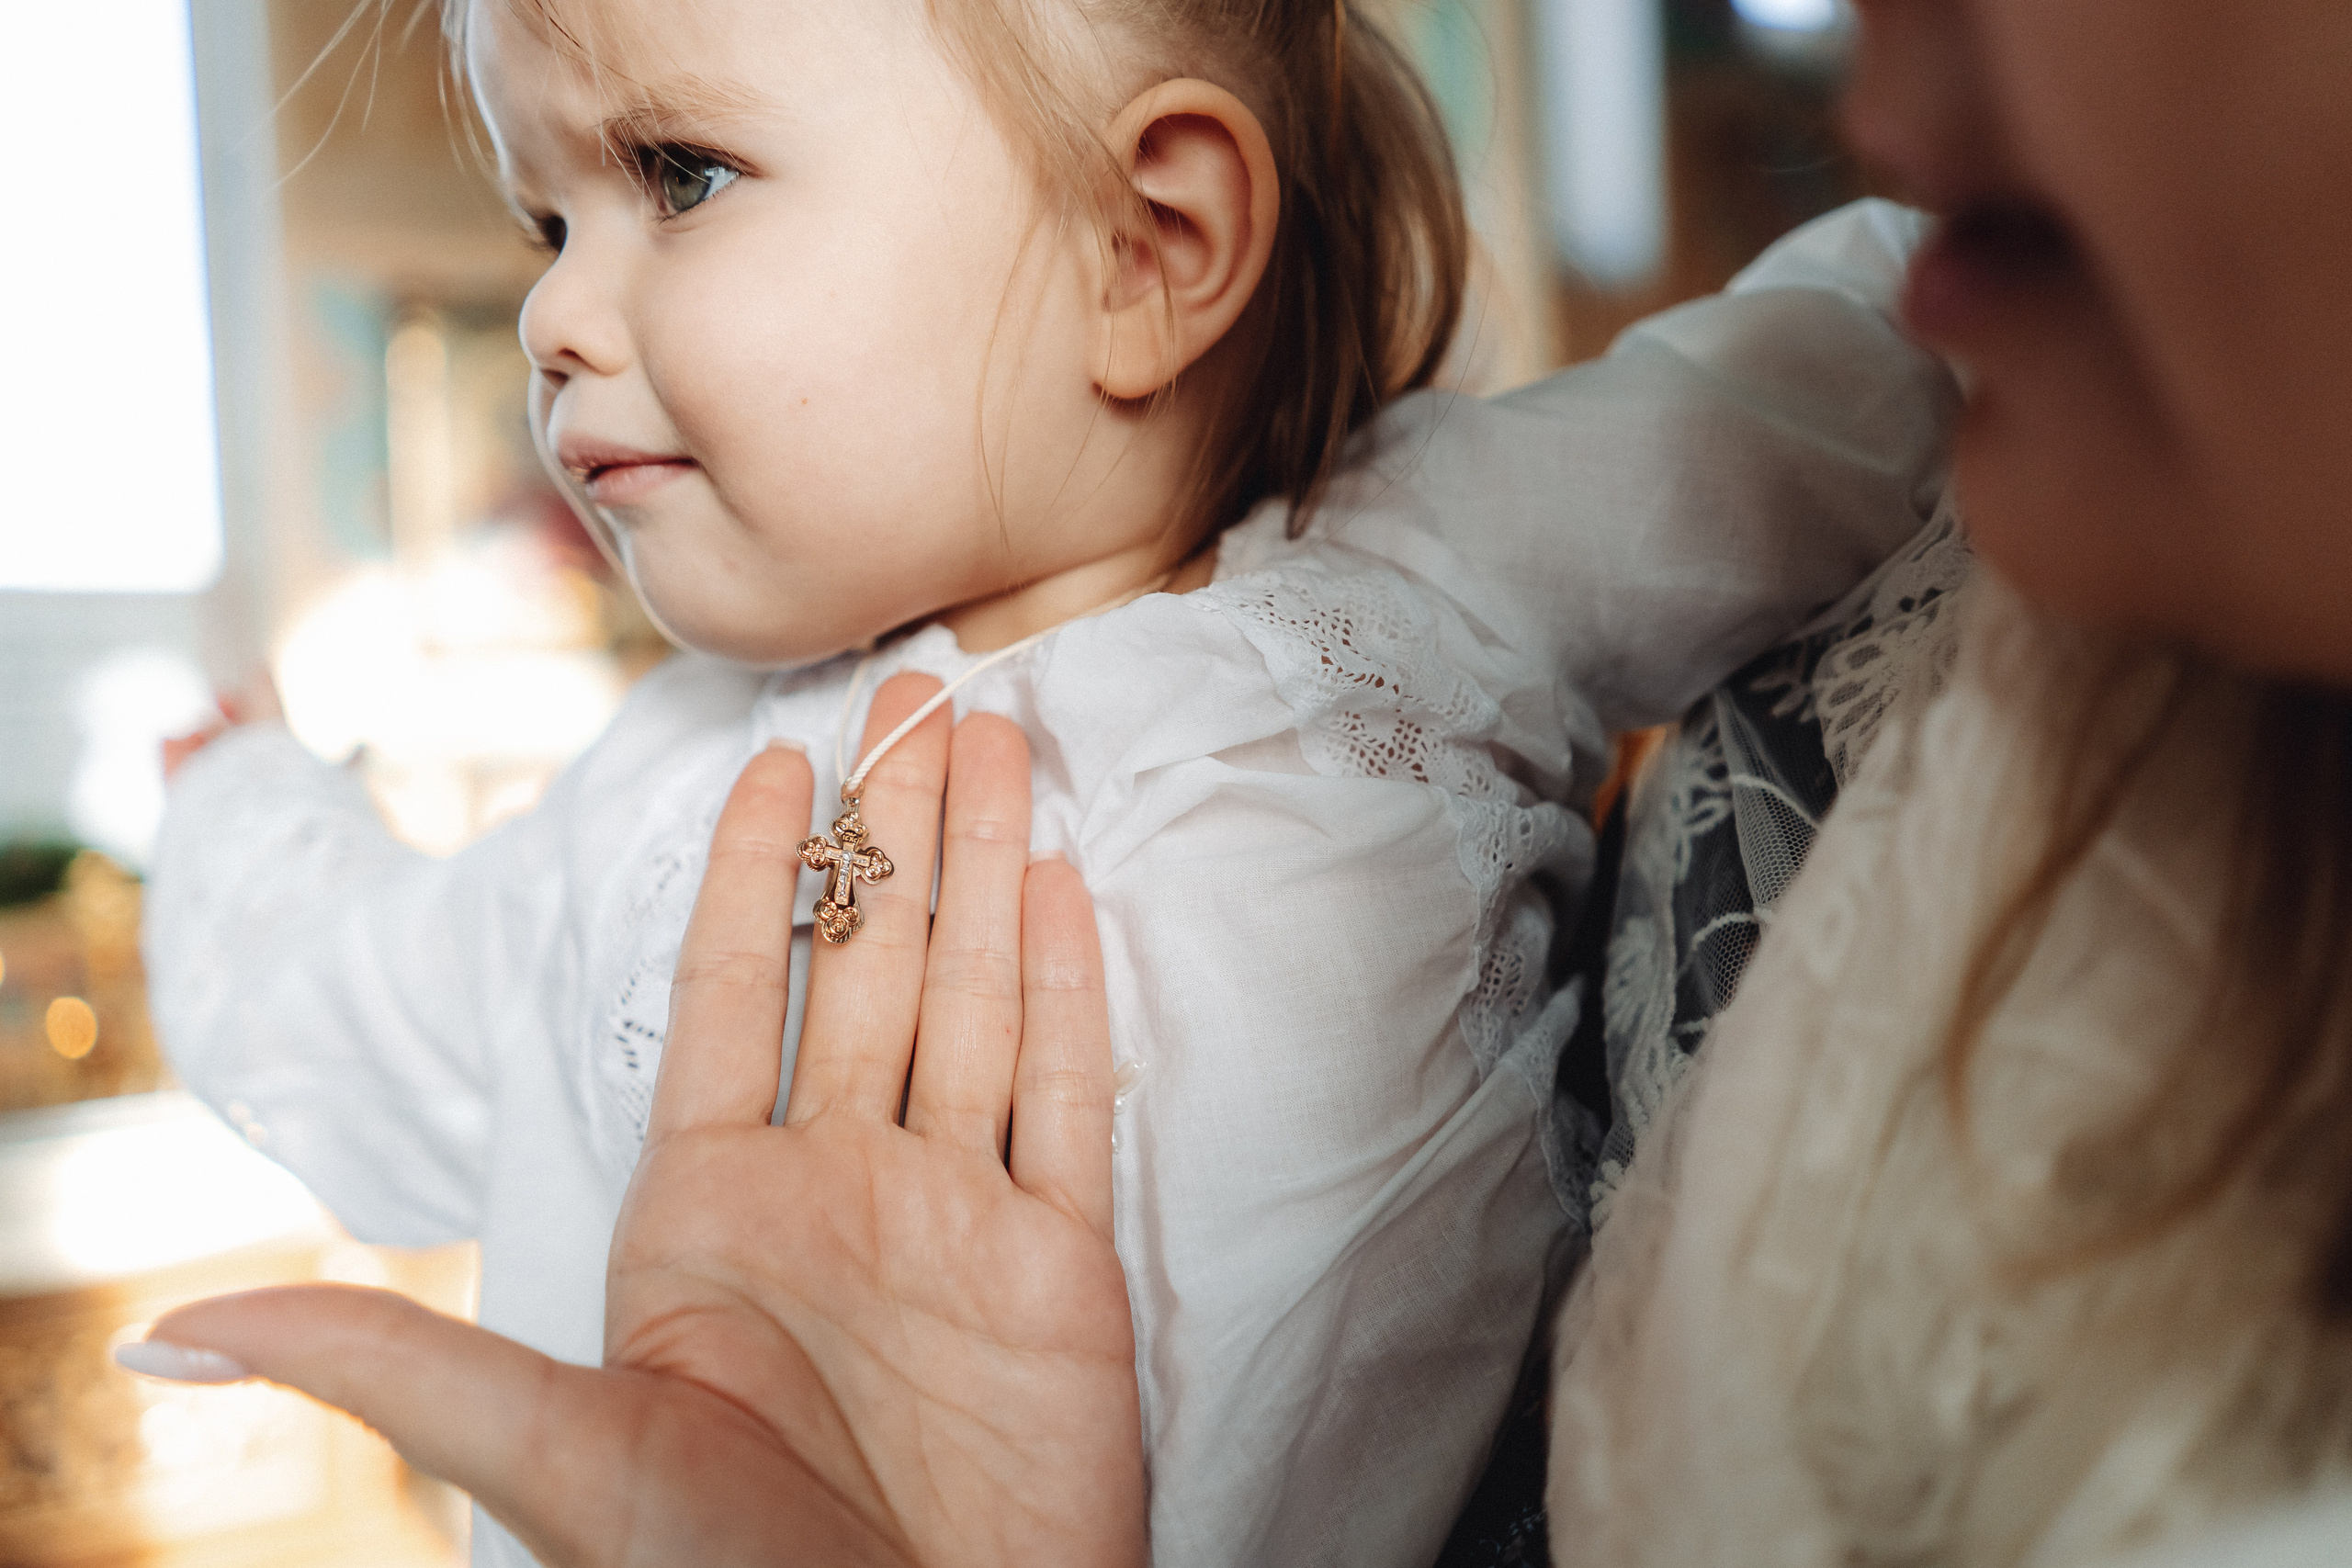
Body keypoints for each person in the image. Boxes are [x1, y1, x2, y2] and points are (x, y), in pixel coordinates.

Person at [134, 3, 1956, 1565]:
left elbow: (1849, 364)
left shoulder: (1436, 562)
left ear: (1142, 243)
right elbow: (363, 999)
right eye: (546, 217)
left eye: (675, 176)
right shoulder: (661, 789)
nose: (551, 312)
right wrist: (242, 810)